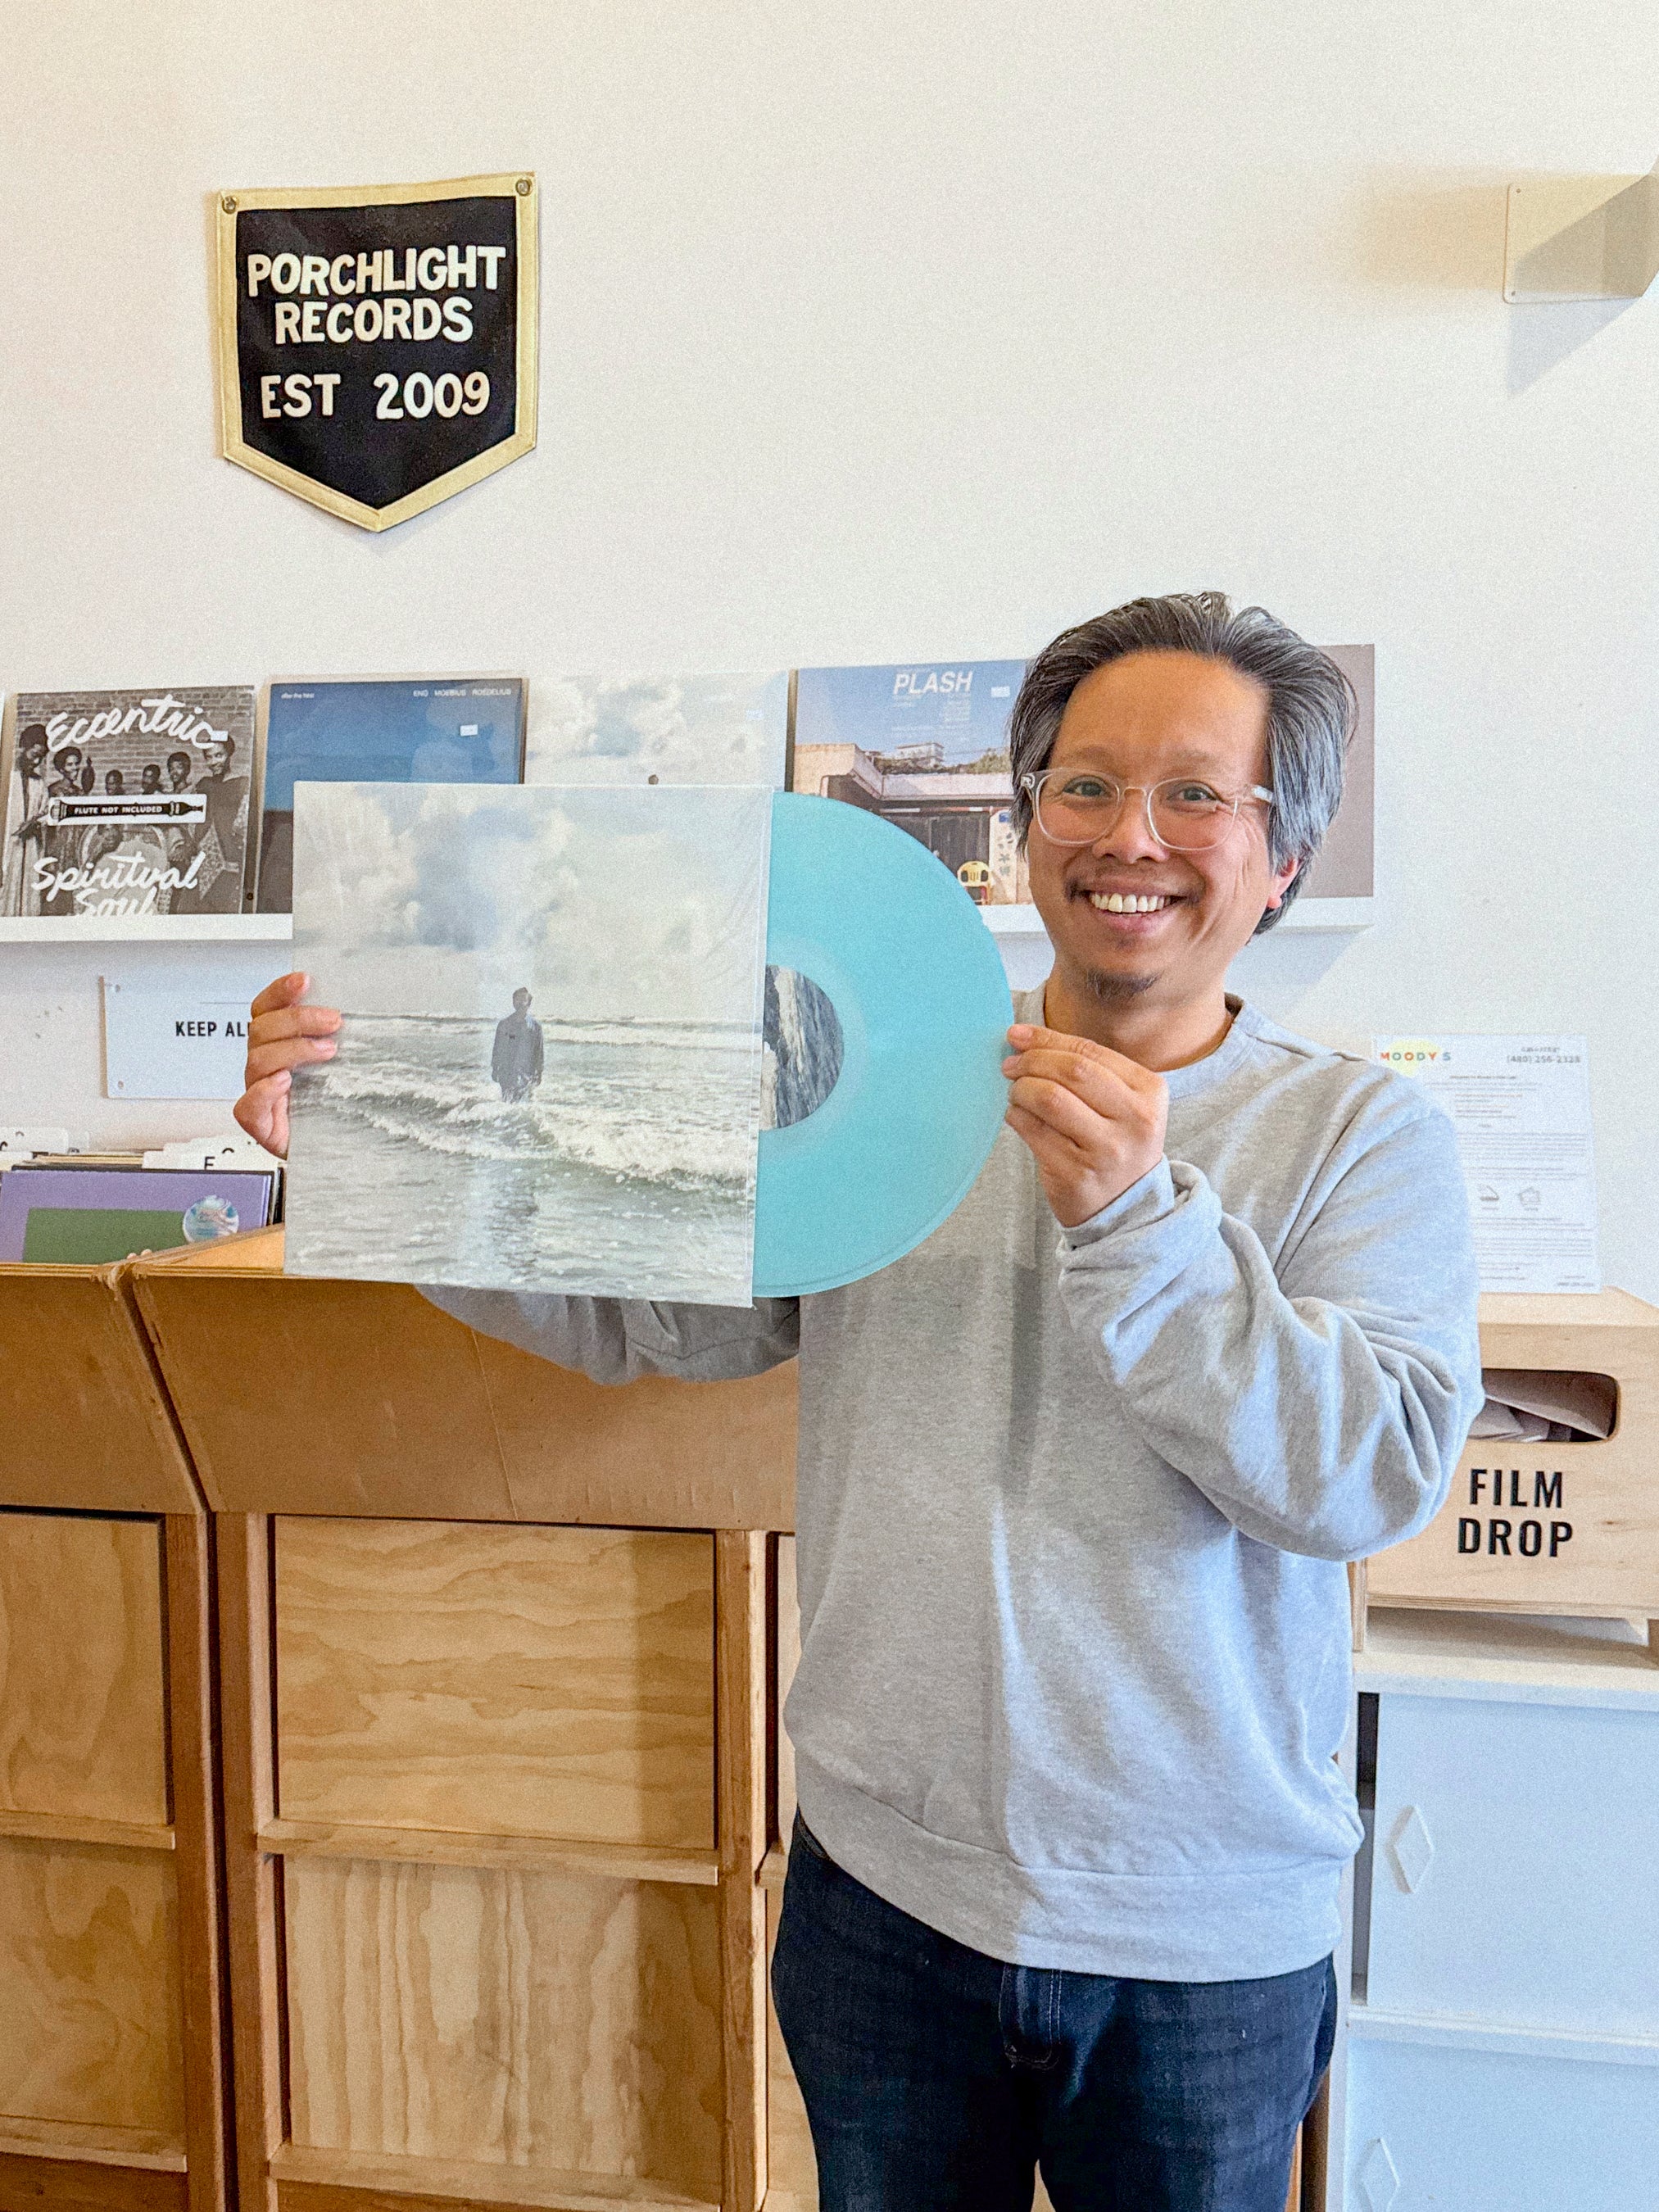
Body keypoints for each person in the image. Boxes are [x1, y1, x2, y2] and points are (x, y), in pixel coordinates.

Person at [234, 593, 1481, 2212]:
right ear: (1025, 825)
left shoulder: (1359, 1138)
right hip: (880, 1897)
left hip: (1201, 1938)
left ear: (1283, 857)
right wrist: (378, 1164)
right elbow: (654, 1320)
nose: (1130, 836)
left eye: (1195, 794)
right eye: (1084, 785)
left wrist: (1141, 1225)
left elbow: (1367, 1475)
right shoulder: (876, 1075)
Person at [3, 724, 51, 916]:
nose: (37, 761)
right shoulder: (7, 778)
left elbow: (45, 812)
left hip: (29, 848)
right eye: (34, 755)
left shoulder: (39, 784)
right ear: (23, 747)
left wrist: (37, 823)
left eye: (41, 757)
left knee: (28, 895)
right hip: (7, 847)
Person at [491, 986, 545, 1102]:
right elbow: (497, 1048)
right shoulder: (504, 1024)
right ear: (513, 1002)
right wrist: (495, 1068)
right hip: (507, 1071)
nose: (520, 1003)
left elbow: (539, 1051)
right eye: (517, 999)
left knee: (524, 1104)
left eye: (523, 1000)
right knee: (507, 1103)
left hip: (527, 1073)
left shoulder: (535, 1027)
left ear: (529, 1003)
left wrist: (539, 1072)